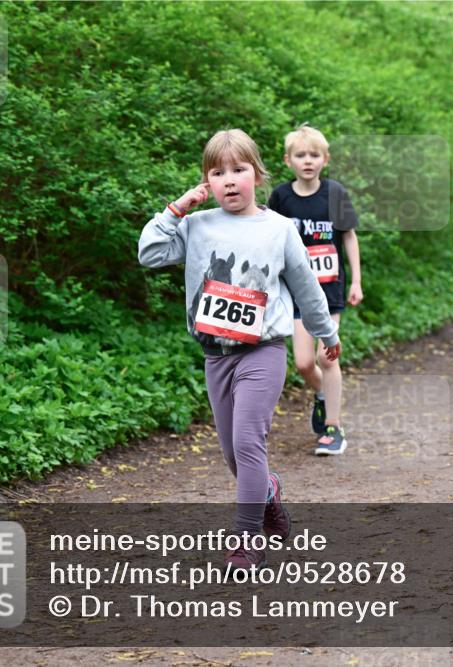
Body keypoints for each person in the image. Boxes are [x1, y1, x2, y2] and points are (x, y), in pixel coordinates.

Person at [138, 129, 341, 570]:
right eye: (218, 172)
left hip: (263, 351)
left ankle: (247, 540)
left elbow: (307, 290)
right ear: (206, 181)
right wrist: (177, 209)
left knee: (249, 441)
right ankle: (267, 493)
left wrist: (327, 335)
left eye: (239, 170)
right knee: (233, 452)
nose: (229, 180)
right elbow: (150, 254)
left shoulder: (279, 228)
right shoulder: (196, 226)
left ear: (258, 174)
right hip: (216, 355)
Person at [267, 124, 362, 456]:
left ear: (325, 159)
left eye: (314, 155)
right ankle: (322, 394)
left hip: (329, 290)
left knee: (328, 356)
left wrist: (356, 281)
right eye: (300, 155)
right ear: (288, 160)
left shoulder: (334, 193)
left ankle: (333, 428)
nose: (307, 161)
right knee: (305, 364)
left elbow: (349, 235)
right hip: (295, 292)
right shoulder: (281, 197)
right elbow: (269, 239)